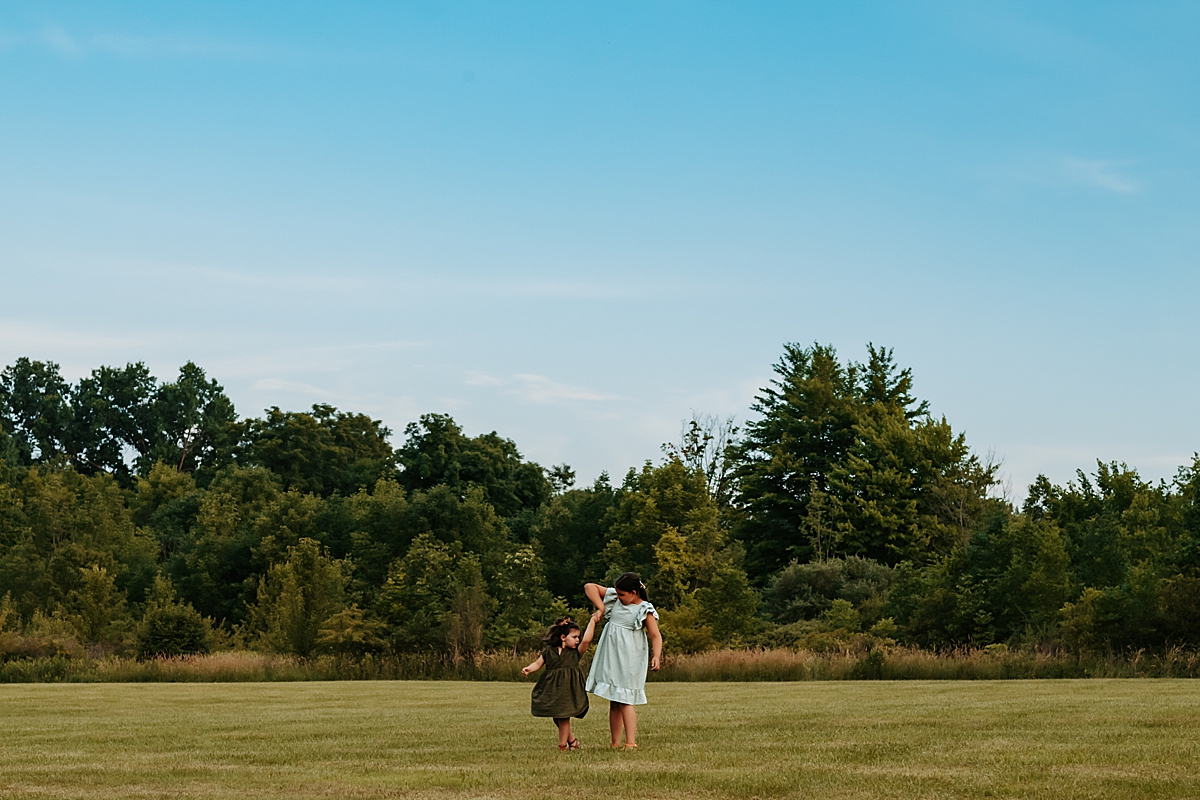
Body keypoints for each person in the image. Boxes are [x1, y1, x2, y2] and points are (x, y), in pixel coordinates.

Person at [583, 572, 663, 751]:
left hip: (629, 657)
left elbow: (656, 636)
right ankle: (615, 742)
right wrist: (600, 608)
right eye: (617, 593)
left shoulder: (644, 609)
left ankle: (631, 742)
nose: (617, 597)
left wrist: (656, 655)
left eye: (622, 594)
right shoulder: (615, 599)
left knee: (626, 699)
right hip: (612, 656)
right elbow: (589, 587)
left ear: (634, 592)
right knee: (614, 699)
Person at [521, 610, 603, 750]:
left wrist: (593, 622)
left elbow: (587, 640)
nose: (578, 640)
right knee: (556, 716)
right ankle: (573, 742)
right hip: (552, 688)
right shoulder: (549, 651)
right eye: (575, 637)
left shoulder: (575, 652)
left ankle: (562, 746)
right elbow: (538, 663)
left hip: (568, 688)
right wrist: (529, 668)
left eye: (578, 637)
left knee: (564, 716)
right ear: (563, 637)